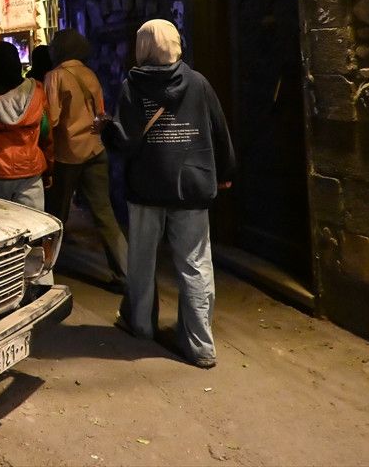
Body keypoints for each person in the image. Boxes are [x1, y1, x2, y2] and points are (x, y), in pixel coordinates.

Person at [95, 19, 234, 369]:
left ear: (142, 46)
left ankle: (141, 325)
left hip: (147, 186)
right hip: (192, 186)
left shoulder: (133, 85)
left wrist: (106, 130)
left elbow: (125, 140)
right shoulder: (198, 83)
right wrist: (226, 172)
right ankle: (200, 344)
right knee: (195, 263)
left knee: (142, 261)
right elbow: (219, 129)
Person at [44, 29, 129, 291]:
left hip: (67, 154)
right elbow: (100, 113)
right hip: (95, 150)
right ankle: (126, 274)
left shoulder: (55, 76)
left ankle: (46, 271)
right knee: (104, 213)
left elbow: (52, 119)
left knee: (56, 214)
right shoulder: (90, 74)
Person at [0, 41, 51, 212]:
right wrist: (49, 166)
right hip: (30, 170)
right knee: (32, 221)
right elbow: (46, 131)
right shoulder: (36, 93)